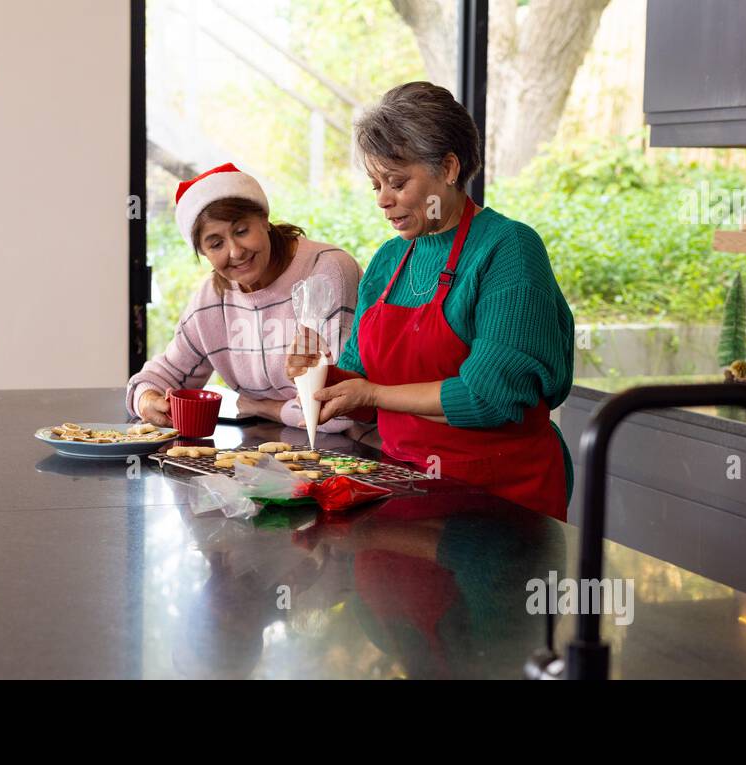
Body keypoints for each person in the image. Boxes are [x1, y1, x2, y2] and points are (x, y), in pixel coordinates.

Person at [287, 83, 575, 520]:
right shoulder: (389, 261)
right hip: (403, 486)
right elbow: (364, 388)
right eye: (376, 185)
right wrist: (322, 374)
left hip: (498, 501)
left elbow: (487, 398)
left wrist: (374, 392)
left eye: (397, 182)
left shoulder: (509, 249)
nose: (383, 200)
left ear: (449, 168)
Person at [128, 163, 362, 433]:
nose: (236, 252)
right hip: (266, 457)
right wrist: (146, 400)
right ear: (203, 253)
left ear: (264, 219)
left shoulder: (328, 272)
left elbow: (340, 410)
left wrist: (264, 408)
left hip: (350, 454)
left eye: (241, 231)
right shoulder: (212, 300)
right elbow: (159, 376)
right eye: (216, 244)